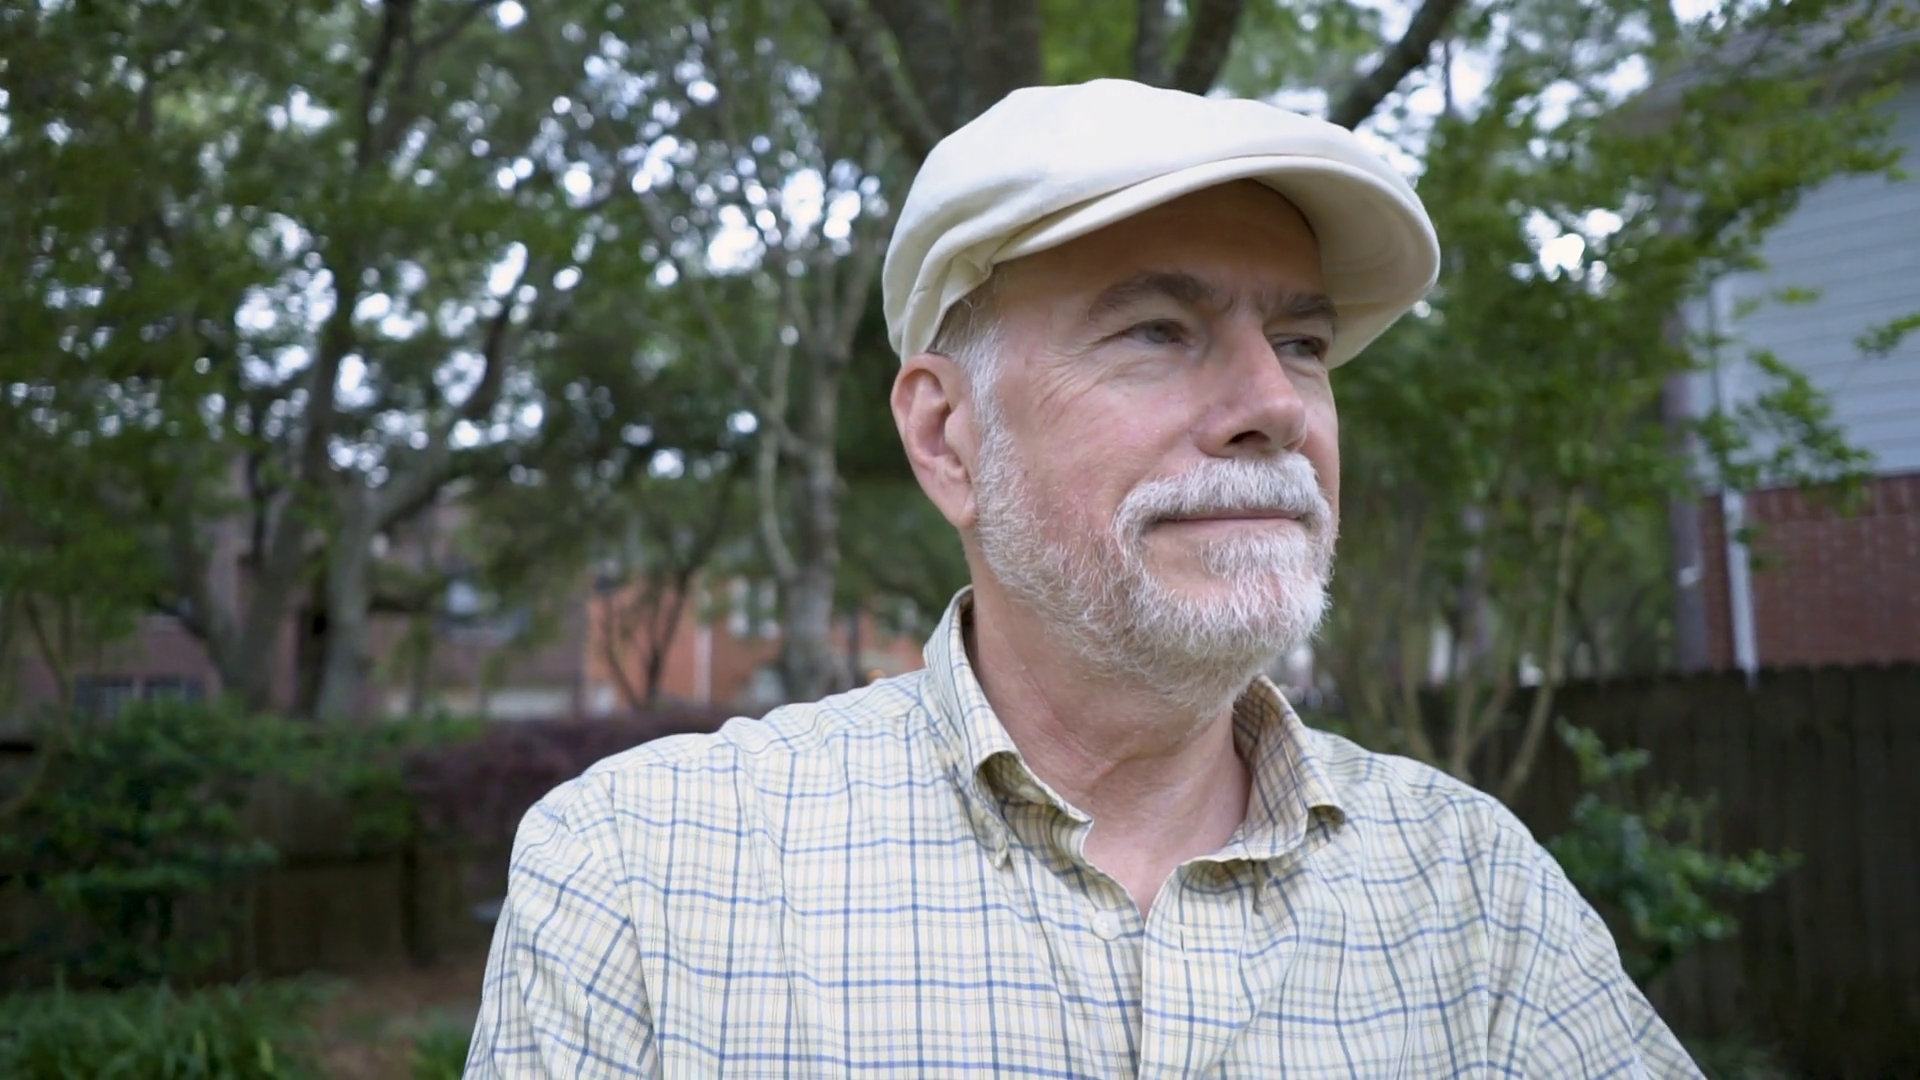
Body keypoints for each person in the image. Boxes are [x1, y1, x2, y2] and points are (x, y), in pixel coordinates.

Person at [466, 79, 1700, 1078]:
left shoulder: (1475, 893)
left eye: (1303, 343)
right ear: (948, 437)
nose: (1275, 404)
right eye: (1158, 331)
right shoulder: (645, 876)